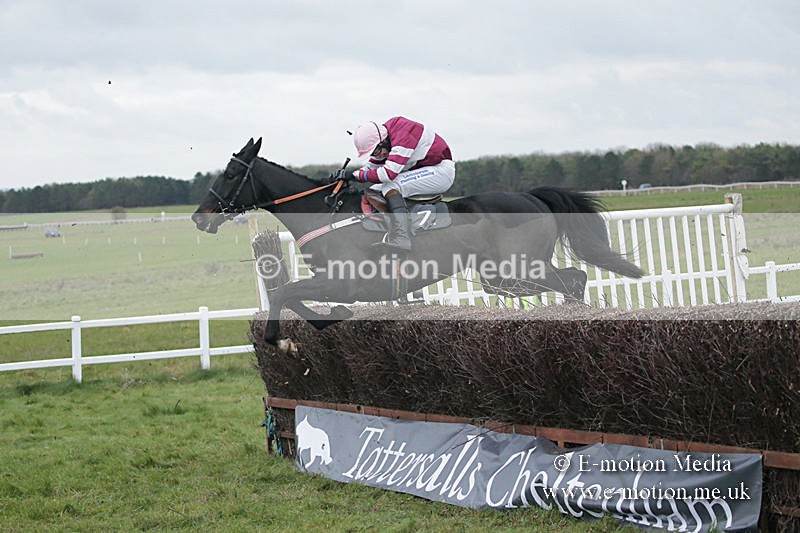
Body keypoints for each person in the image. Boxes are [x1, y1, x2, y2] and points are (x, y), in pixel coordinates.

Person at [347, 116, 455, 251]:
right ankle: (387, 228)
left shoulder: (402, 135)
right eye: (372, 154)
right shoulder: (385, 137)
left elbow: (387, 174)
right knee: (373, 190)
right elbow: (371, 167)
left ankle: (401, 237)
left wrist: (356, 176)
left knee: (390, 185)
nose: (377, 156)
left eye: (376, 151)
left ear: (383, 141)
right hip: (425, 168)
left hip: (441, 171)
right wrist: (349, 175)